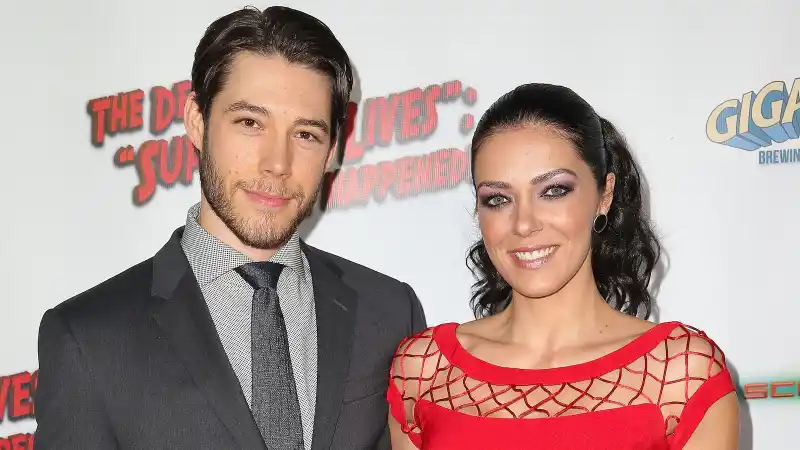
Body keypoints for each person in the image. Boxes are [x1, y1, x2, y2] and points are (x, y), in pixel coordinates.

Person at [34, 6, 426, 450]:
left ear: (333, 148)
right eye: (250, 123)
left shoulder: (390, 314)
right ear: (197, 121)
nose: (277, 163)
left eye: (305, 134)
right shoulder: (89, 340)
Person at [387, 83, 738, 449]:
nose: (524, 224)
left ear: (604, 195)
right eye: (498, 199)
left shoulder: (682, 376)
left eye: (554, 191)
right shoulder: (423, 371)